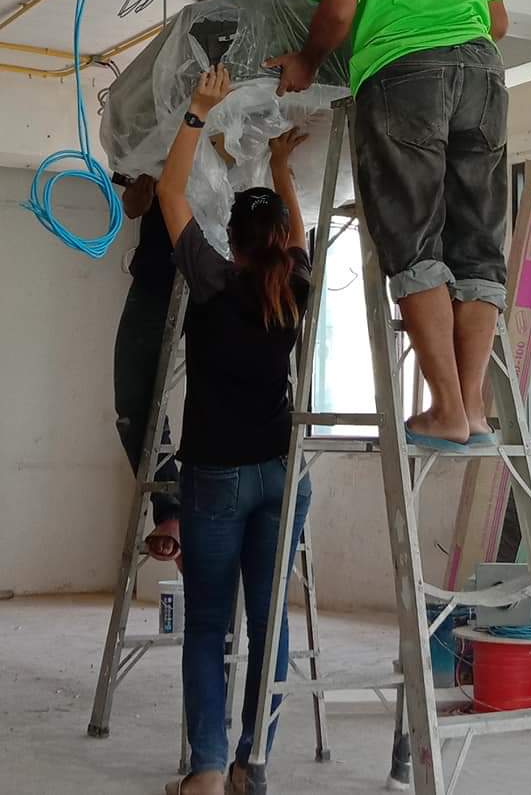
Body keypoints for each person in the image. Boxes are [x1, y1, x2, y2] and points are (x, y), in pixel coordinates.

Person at [265, 0, 509, 453]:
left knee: (413, 234)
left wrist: (307, 60)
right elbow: (497, 20)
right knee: (478, 244)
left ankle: (446, 409)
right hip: (484, 76)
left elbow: (339, 10)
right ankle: (474, 411)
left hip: (406, 76)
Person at [158, 64, 312, 795]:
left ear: (234, 239)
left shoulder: (213, 278)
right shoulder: (296, 286)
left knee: (209, 624)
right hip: (282, 471)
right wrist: (281, 167)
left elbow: (171, 194)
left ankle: (208, 771)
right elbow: (298, 237)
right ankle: (255, 763)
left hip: (216, 476)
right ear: (277, 240)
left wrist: (196, 111)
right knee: (269, 622)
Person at [114, 173, 182, 561]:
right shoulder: (153, 143)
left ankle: (219, 522)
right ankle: (171, 509)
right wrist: (138, 195)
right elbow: (132, 201)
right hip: (157, 275)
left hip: (222, 269)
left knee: (232, 397)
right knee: (134, 407)